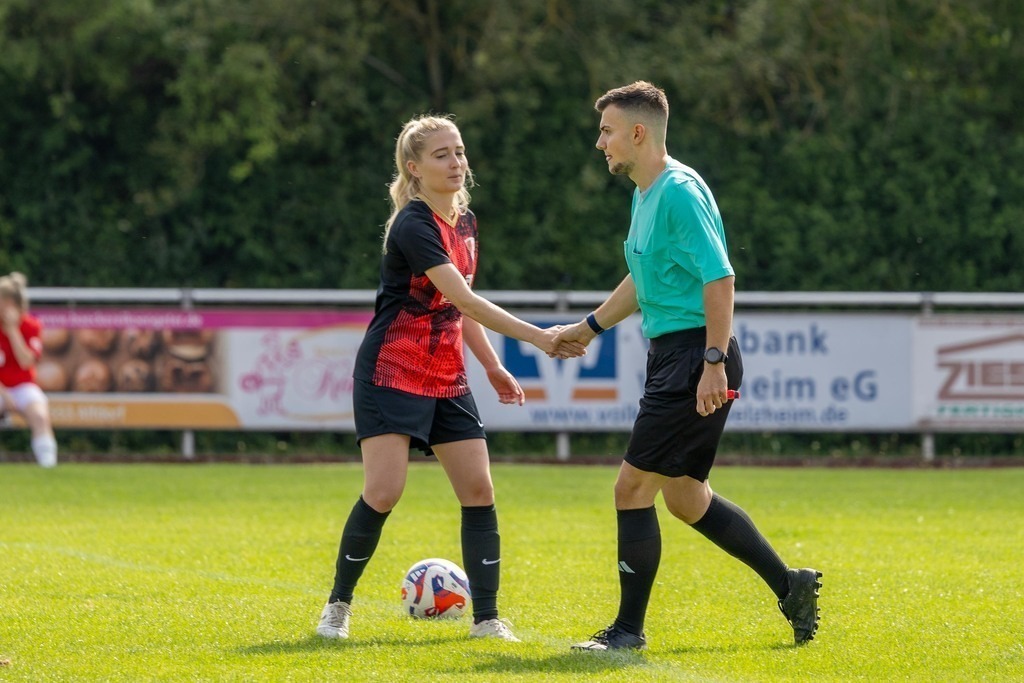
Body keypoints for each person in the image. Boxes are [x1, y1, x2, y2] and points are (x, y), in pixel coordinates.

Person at [553, 82, 821, 651]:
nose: (599, 142)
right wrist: (591, 326)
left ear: (638, 132)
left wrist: (713, 362)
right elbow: (643, 279)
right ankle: (790, 584)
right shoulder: (645, 194)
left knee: (631, 490)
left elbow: (719, 277)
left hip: (694, 355)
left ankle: (627, 632)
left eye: (606, 131)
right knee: (685, 498)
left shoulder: (676, 191)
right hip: (675, 355)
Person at [316, 115, 584, 642]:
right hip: (391, 371)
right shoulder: (413, 224)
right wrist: (539, 338)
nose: (456, 162)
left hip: (446, 375)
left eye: (459, 152)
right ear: (414, 169)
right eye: (442, 154)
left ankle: (486, 619)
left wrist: (490, 365)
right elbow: (463, 298)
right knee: (385, 491)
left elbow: (455, 311)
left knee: (479, 488)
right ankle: (337, 607)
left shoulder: (466, 223)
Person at [0, 272, 58, 468]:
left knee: (40, 416)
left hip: (23, 386)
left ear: (10, 303)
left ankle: (48, 466)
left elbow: (26, 362)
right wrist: (5, 395)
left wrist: (13, 331)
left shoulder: (31, 326)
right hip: (1, 388)